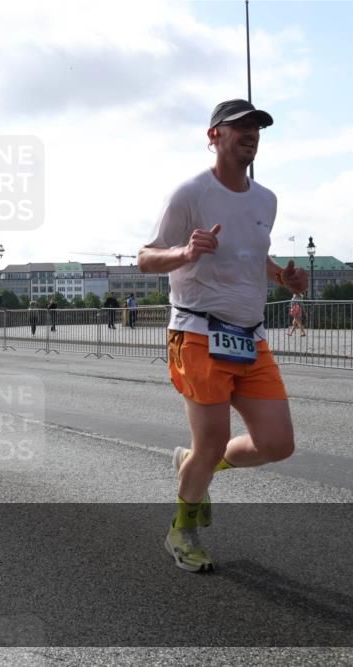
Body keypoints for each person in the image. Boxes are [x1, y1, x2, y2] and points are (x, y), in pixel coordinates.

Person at [138, 99, 307, 573]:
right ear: (214, 135)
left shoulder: (266, 199)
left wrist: (283, 277)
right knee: (212, 441)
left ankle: (196, 464)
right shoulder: (190, 193)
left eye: (257, 128)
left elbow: (252, 255)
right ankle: (182, 530)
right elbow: (146, 257)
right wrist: (184, 253)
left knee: (277, 444)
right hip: (197, 330)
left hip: (250, 337)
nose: (251, 134)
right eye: (240, 127)